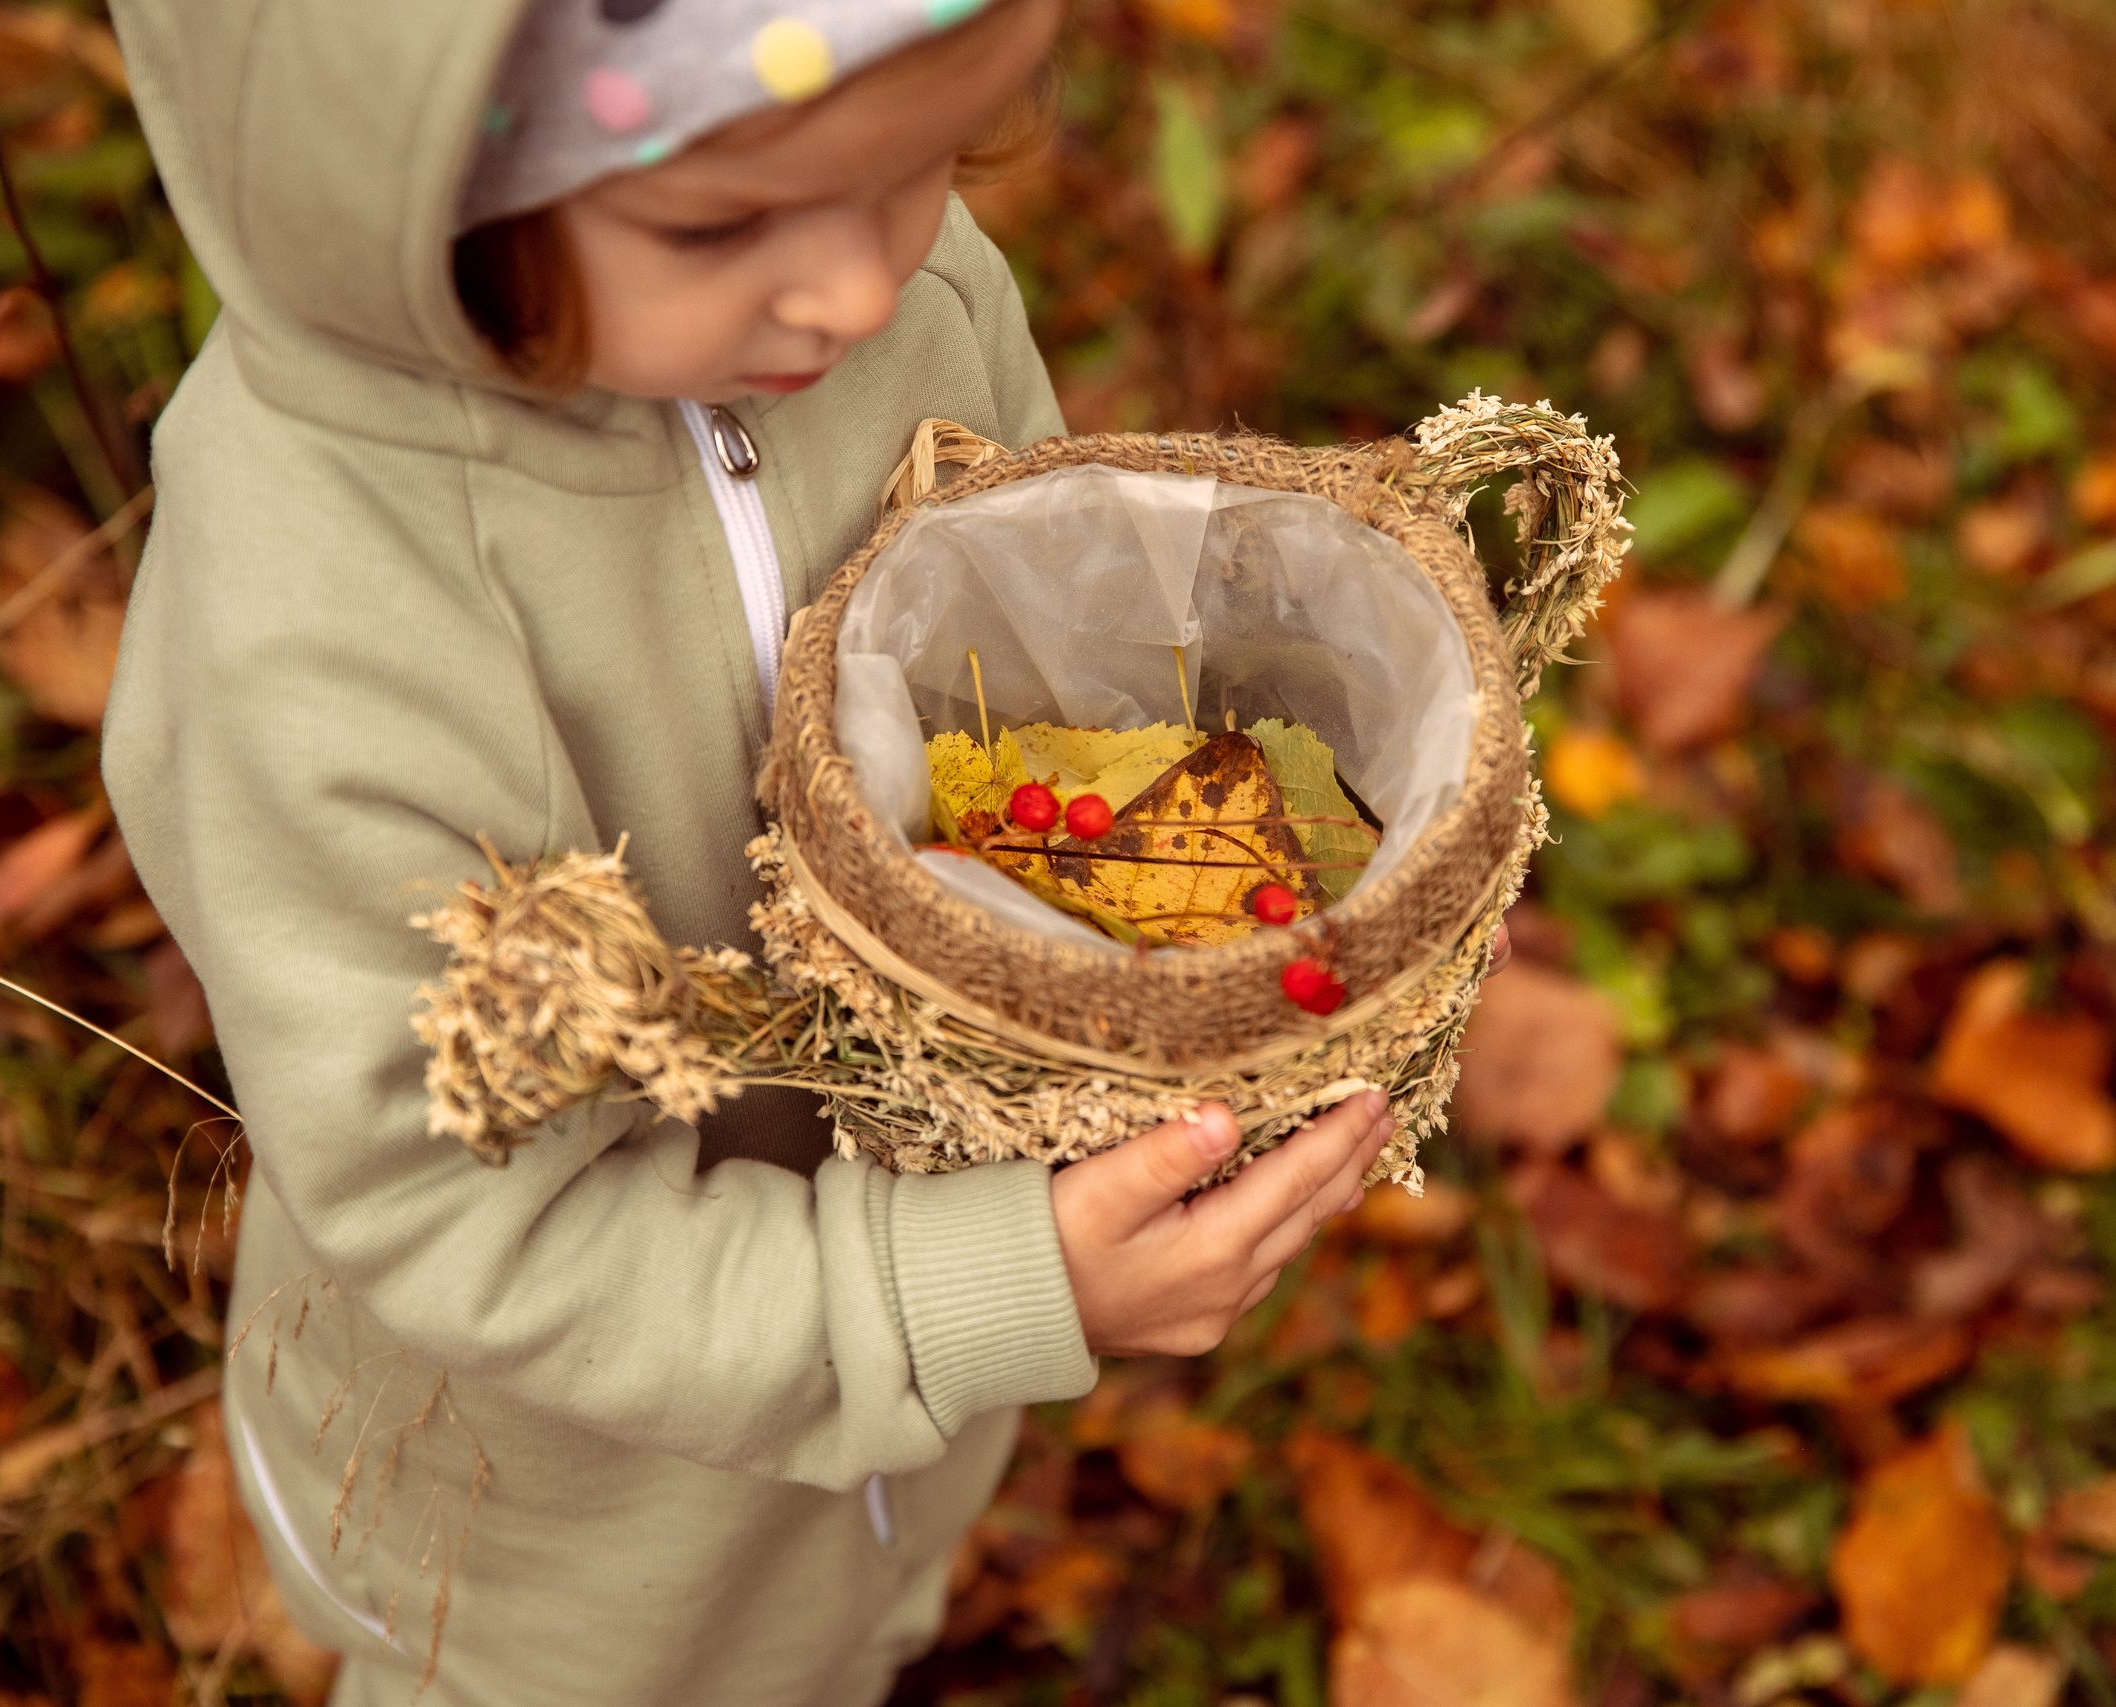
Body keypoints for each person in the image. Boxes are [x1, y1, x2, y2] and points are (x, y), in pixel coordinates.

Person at [101, 1, 1393, 1701]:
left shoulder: (900, 299)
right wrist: (969, 1297)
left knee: (843, 1633)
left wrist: (1263, 911)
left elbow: (1040, 692)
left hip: (897, 1413)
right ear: (425, 199)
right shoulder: (322, 612)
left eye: (923, 159)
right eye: (716, 223)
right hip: (563, 1533)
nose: (856, 293)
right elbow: (467, 1218)